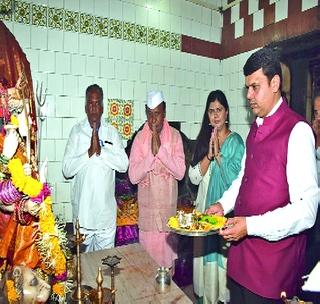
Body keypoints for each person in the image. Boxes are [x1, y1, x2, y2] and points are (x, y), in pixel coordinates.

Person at [206, 47, 319, 303]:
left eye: (255, 87)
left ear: (275, 83)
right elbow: (243, 180)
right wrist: (222, 205)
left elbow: (306, 210)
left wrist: (250, 226)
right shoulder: (254, 131)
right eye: (247, 88)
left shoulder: (297, 131)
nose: (249, 96)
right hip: (241, 261)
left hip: (272, 271)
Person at [189, 90, 244, 303]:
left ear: (227, 112)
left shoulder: (236, 141)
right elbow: (193, 178)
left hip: (228, 213)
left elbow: (237, 180)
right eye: (211, 111)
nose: (215, 115)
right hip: (205, 214)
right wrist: (209, 155)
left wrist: (219, 156)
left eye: (219, 110)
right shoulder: (204, 140)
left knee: (224, 265)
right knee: (206, 266)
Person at [62, 84, 128, 252]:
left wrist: (102, 152)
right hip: (83, 218)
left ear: (103, 107)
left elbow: (124, 165)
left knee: (105, 270)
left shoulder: (112, 133)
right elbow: (67, 170)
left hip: (105, 219)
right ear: (85, 107)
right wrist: (88, 153)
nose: (94, 109)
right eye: (90, 104)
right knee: (83, 271)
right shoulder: (76, 132)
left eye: (97, 103)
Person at [128, 90, 185, 269]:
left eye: (157, 114)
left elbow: (181, 172)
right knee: (147, 272)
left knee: (168, 273)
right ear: (146, 113)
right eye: (150, 114)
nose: (153, 119)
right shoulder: (139, 139)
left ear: (164, 112)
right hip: (148, 220)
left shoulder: (175, 137)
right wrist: (151, 157)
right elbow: (133, 176)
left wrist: (161, 151)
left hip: (168, 219)